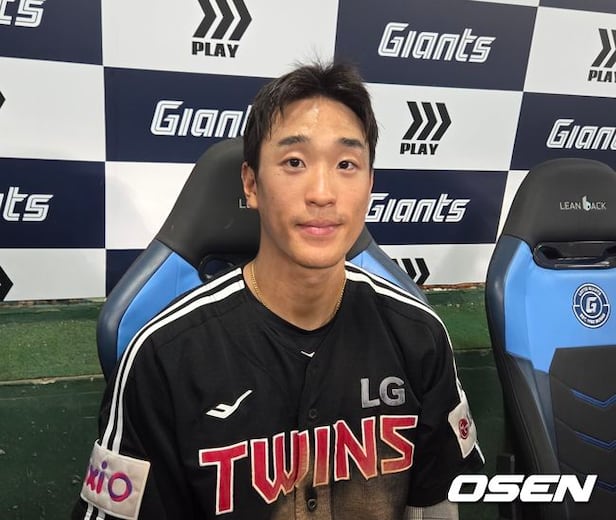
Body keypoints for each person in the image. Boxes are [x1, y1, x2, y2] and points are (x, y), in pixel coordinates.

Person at [72, 61, 483, 520]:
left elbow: (436, 506)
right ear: (251, 184)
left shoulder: (419, 334)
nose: (322, 192)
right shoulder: (163, 355)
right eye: (294, 163)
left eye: (346, 164)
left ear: (369, 185)